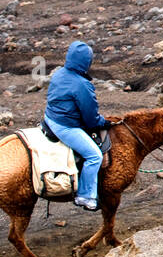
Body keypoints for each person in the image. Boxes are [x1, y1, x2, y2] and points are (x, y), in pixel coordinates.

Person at [43, 40, 113, 210]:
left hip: (49, 117)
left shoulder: (60, 73)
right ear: (86, 62)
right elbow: (90, 119)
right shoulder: (82, 85)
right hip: (65, 126)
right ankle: (85, 196)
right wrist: (104, 122)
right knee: (94, 156)